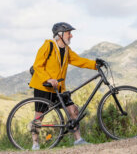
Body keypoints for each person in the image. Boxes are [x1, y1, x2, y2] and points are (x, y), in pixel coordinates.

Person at [29, 22, 97, 150]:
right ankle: (35, 144)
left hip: (59, 88)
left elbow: (79, 60)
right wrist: (48, 78)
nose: (71, 36)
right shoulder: (48, 45)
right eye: (69, 33)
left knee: (73, 110)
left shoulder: (66, 50)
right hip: (43, 86)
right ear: (60, 35)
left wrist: (95, 64)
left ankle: (78, 140)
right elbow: (37, 65)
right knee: (39, 116)